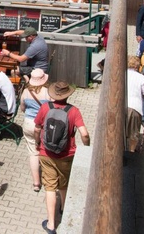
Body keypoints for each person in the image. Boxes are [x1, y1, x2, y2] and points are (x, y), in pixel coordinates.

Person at [34, 82, 90, 234]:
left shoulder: (45, 108)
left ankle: (51, 224)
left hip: (46, 153)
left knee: (50, 187)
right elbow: (84, 133)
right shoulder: (74, 111)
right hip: (66, 154)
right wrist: (87, 148)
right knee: (64, 183)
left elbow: (37, 128)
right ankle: (65, 211)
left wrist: (37, 143)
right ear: (68, 95)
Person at [20, 69, 51, 192]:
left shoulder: (26, 92)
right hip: (43, 125)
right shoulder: (48, 92)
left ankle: (36, 183)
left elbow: (22, 108)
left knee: (33, 152)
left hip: (29, 123)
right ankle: (49, 178)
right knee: (46, 150)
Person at [126, 56, 144, 151]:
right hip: (134, 108)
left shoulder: (121, 74)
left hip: (120, 106)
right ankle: (131, 152)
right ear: (137, 66)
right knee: (133, 134)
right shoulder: (141, 78)